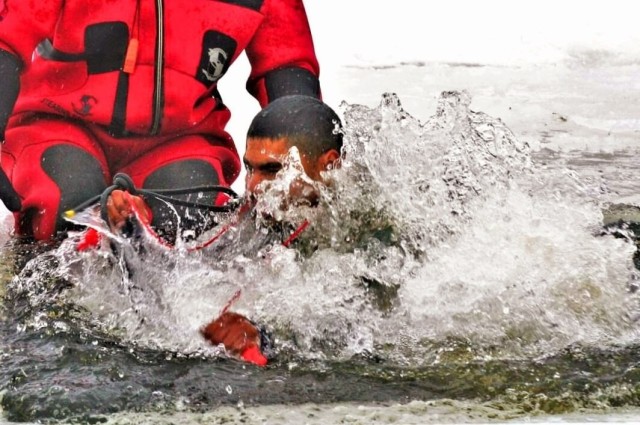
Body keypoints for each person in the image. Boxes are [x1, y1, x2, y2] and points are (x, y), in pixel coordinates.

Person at [0, 0, 321, 242]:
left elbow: (286, 61)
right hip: (55, 122)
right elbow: (8, 31)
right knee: (66, 204)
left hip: (181, 137)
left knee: (193, 226)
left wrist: (307, 153)